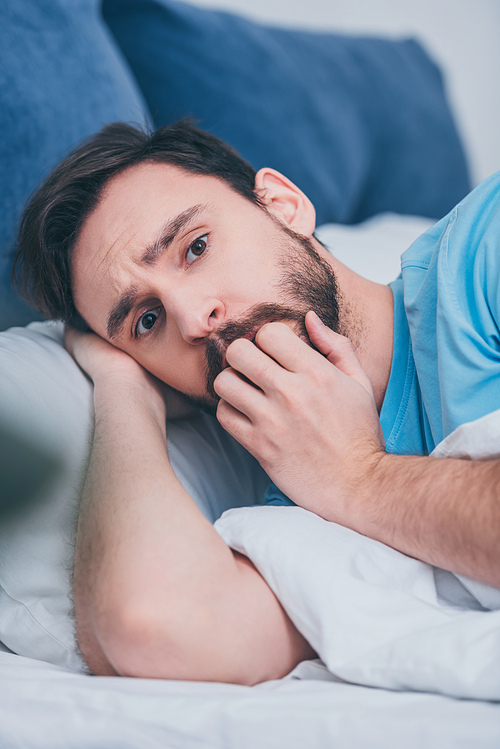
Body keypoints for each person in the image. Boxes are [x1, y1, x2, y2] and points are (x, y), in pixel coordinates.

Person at [13, 121, 500, 684]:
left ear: (283, 205)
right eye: (147, 321)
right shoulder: (304, 497)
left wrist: (361, 478)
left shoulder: (480, 255)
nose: (194, 320)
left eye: (195, 248)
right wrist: (121, 386)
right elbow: (161, 628)